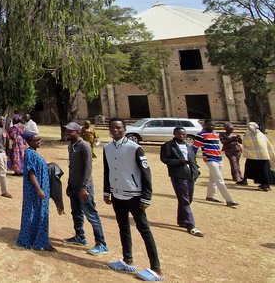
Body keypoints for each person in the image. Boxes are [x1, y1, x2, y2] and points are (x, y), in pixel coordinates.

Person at [103, 118, 163, 282]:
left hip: (135, 195)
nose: (115, 130)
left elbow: (146, 173)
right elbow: (107, 171)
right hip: (117, 194)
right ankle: (127, 259)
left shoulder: (135, 148)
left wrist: (146, 197)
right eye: (112, 128)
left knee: (144, 230)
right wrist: (107, 192)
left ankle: (156, 268)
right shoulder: (107, 148)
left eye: (119, 128)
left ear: (125, 129)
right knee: (123, 227)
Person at [64, 122, 108, 255]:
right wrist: (69, 184)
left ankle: (101, 243)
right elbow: (72, 167)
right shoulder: (71, 145)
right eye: (67, 131)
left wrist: (84, 187)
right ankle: (79, 236)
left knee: (91, 214)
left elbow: (88, 169)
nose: (68, 133)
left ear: (77, 132)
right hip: (73, 185)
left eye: (70, 131)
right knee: (76, 212)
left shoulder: (84, 146)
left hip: (84, 187)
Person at [160, 127, 203, 237]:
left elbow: (193, 159)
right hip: (178, 175)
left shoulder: (188, 146)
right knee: (184, 199)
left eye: (184, 134)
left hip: (190, 175)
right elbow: (165, 159)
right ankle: (191, 225)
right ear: (174, 134)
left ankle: (182, 220)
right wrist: (179, 162)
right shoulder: (168, 145)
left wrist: (196, 171)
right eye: (179, 134)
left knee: (188, 199)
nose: (182, 136)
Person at [17, 132, 54, 251]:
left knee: (37, 213)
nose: (39, 142)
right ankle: (36, 241)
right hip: (35, 189)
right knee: (33, 213)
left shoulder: (33, 152)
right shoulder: (29, 153)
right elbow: (31, 173)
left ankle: (36, 239)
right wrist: (39, 189)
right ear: (30, 142)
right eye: (36, 140)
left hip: (40, 187)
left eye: (39, 139)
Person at [193, 122, 238, 206]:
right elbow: (195, 148)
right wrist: (192, 160)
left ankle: (210, 196)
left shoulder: (215, 134)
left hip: (219, 158)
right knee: (219, 179)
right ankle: (229, 200)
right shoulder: (201, 135)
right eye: (209, 125)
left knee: (213, 178)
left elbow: (218, 146)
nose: (211, 126)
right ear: (204, 125)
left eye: (213, 125)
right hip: (209, 159)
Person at [242, 122, 275, 191]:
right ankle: (265, 185)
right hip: (264, 155)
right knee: (264, 170)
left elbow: (246, 144)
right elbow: (267, 145)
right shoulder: (262, 135)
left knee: (260, 171)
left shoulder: (248, 135)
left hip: (254, 156)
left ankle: (265, 186)